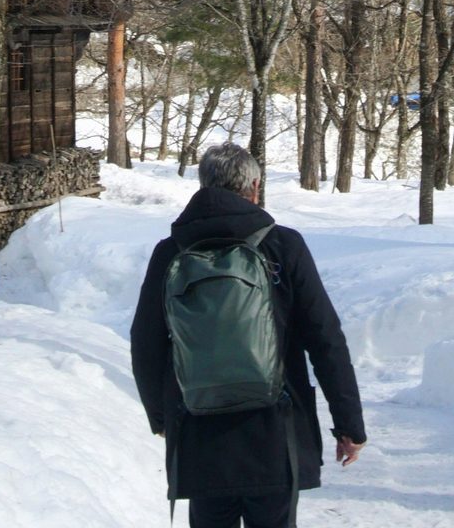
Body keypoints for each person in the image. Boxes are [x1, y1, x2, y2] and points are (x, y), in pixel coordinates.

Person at [131, 143, 367, 528]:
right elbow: (325, 339)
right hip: (274, 429)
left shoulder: (171, 252)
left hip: (198, 429)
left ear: (204, 185)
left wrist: (162, 418)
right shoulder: (283, 246)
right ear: (254, 188)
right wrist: (349, 425)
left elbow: (146, 342)